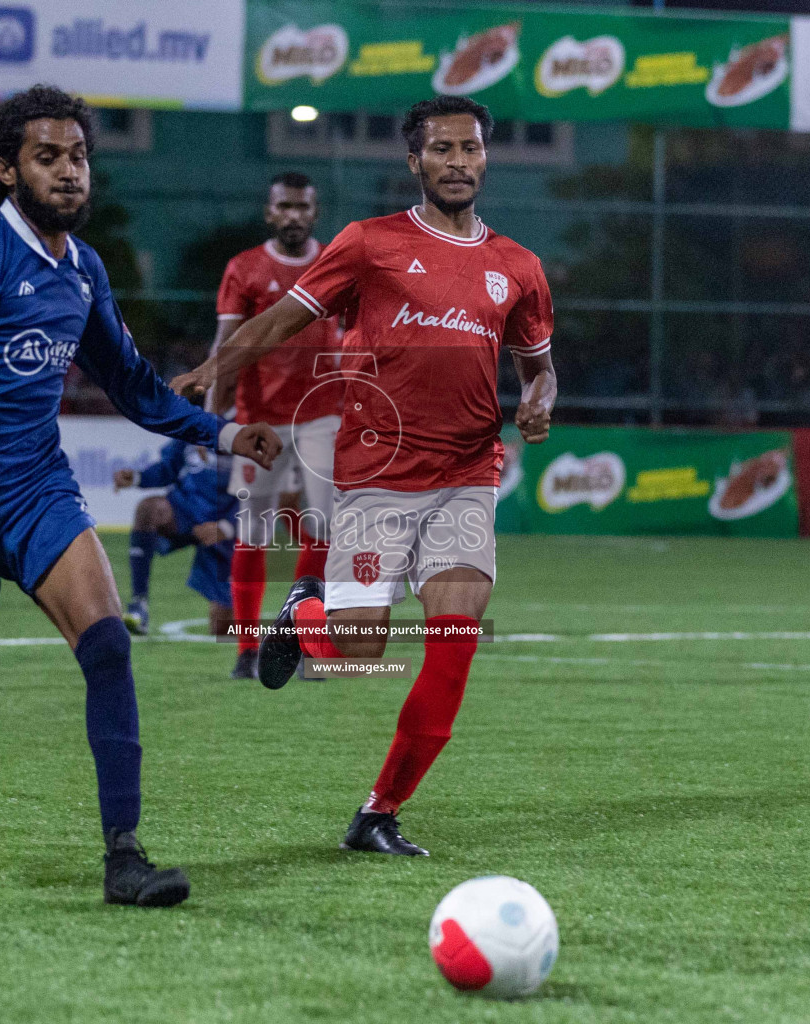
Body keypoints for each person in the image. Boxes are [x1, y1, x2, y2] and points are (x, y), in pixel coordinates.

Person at [0, 86, 281, 907]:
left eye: (79, 157)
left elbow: (129, 382)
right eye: (48, 158)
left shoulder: (83, 270)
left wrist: (222, 433)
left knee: (108, 647)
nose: (68, 173)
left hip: (36, 492)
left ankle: (123, 856)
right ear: (7, 169)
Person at [171, 96, 556, 857]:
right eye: (440, 149)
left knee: (455, 643)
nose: (457, 161)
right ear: (414, 162)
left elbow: (540, 372)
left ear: (486, 158)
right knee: (358, 649)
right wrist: (215, 368)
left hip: (467, 474)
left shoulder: (517, 267)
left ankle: (379, 812)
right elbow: (283, 319)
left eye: (470, 149)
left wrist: (539, 403)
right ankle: (301, 618)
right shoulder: (369, 244)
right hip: (377, 474)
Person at [211, 172, 343, 680]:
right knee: (253, 533)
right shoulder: (244, 268)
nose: (293, 215)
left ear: (314, 211)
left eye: (301, 207)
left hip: (323, 414)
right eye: (284, 206)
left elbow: (356, 338)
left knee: (324, 530)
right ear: (270, 212)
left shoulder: (334, 264)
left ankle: (306, 641)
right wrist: (216, 423)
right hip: (258, 417)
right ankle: (247, 648)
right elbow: (227, 346)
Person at [113, 434, 236, 645]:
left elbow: (260, 490)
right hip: (185, 510)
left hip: (225, 523)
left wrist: (228, 525)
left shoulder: (247, 426)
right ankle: (139, 603)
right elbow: (168, 467)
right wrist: (137, 478)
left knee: (223, 630)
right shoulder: (195, 422)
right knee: (149, 509)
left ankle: (288, 641)